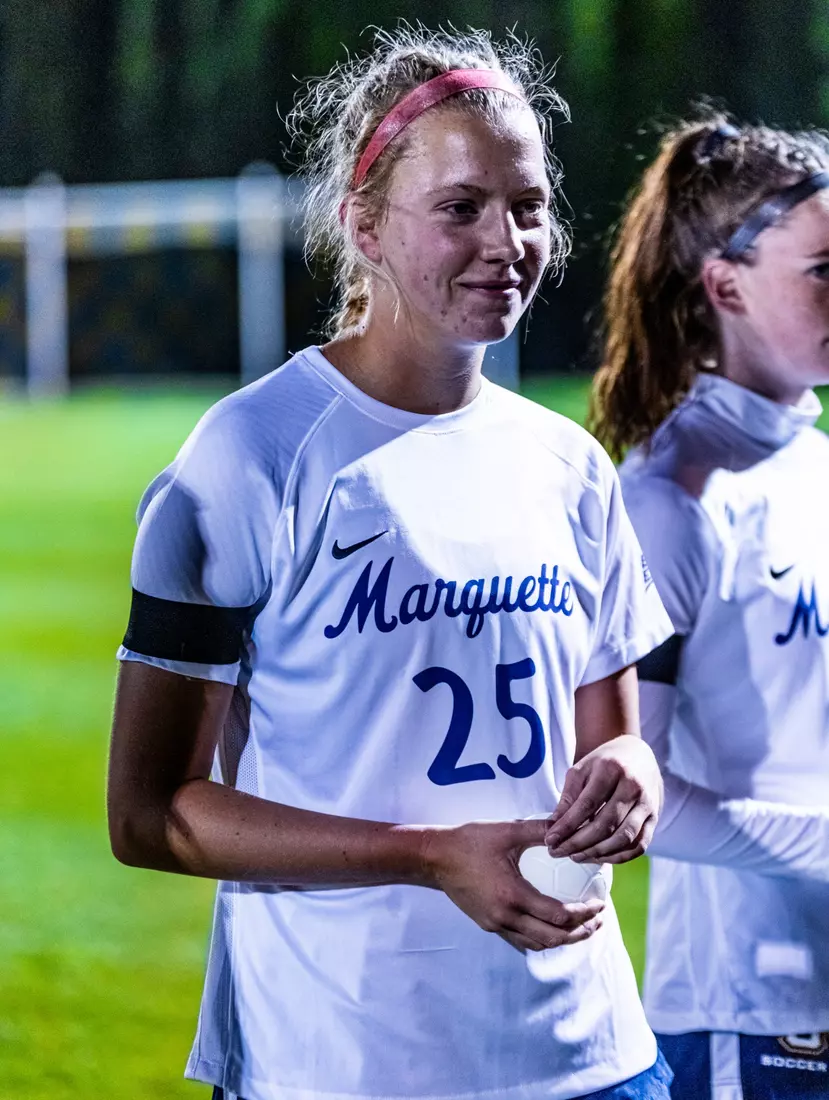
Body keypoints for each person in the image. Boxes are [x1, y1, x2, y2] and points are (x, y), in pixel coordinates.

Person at [107, 27, 673, 1100]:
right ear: (362, 223)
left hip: (595, 1053)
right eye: (460, 207)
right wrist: (425, 851)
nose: (505, 240)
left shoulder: (566, 464)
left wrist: (632, 782)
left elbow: (619, 743)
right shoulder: (252, 454)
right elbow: (150, 813)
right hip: (345, 1059)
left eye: (529, 204)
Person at [583, 116, 829, 1100]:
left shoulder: (811, 464)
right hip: (744, 1017)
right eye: (822, 267)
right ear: (725, 283)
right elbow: (633, 803)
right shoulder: (669, 499)